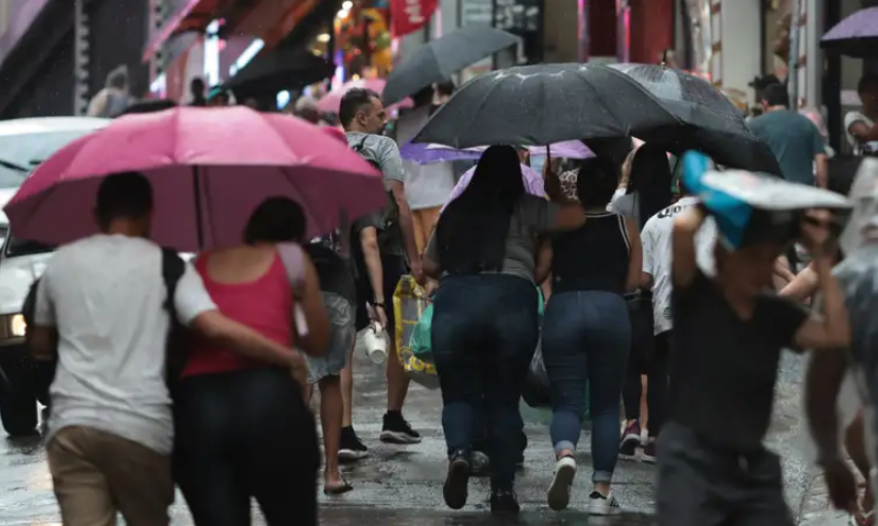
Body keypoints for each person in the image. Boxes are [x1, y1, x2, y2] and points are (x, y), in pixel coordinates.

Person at [28, 172, 313, 526]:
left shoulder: (60, 262)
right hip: (140, 425)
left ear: (97, 215)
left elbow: (40, 343)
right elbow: (213, 327)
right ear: (149, 213)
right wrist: (285, 356)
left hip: (71, 425)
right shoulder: (166, 264)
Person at [657, 201, 850, 526]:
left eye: (766, 259)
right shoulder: (697, 299)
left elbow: (836, 333)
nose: (758, 270)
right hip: (691, 462)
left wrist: (823, 255)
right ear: (721, 257)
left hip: (751, 465)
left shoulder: (773, 313)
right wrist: (714, 198)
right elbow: (683, 230)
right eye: (749, 258)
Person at [423, 145, 587, 514]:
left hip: (456, 303)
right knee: (502, 398)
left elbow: (429, 264)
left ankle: (461, 452)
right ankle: (502, 491)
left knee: (459, 396)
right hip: (511, 303)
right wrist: (554, 192)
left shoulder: (455, 210)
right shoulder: (529, 209)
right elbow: (576, 218)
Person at [173, 196, 330, 526]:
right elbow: (318, 342)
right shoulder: (291, 258)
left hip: (199, 408)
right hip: (270, 399)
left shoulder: (200, 264)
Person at [541, 157, 641, 514]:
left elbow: (541, 271)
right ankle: (600, 492)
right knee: (604, 406)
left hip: (564, 309)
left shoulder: (561, 224)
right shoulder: (625, 224)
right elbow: (632, 282)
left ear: (578, 189)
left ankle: (565, 453)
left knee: (566, 401)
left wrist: (554, 202)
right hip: (610, 311)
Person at [338, 88, 424, 446]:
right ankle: (393, 417)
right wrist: (415, 257)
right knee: (402, 334)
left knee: (342, 346)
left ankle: (343, 429)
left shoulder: (331, 147)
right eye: (379, 115)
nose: (384, 121)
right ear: (361, 118)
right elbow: (401, 204)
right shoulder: (383, 147)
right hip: (385, 252)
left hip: (342, 254)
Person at [623, 182, 716, 464]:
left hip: (665, 308)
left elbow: (645, 278)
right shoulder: (716, 219)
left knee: (662, 372)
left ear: (678, 184)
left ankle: (657, 439)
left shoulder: (655, 221)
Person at [395, 85, 457, 254]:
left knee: (421, 255)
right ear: (431, 93)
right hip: (438, 194)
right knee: (440, 254)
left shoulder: (401, 122)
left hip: (412, 197)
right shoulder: (440, 116)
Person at [748, 83, 828, 187]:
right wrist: (823, 190)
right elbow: (821, 159)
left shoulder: (754, 125)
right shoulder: (807, 124)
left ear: (765, 103)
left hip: (768, 193)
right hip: (803, 194)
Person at [845, 75, 878, 157]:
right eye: (872, 94)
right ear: (861, 95)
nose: (875, 98)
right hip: (865, 166)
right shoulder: (853, 117)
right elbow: (868, 136)